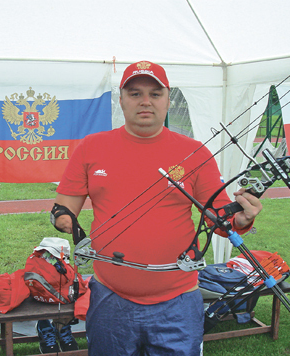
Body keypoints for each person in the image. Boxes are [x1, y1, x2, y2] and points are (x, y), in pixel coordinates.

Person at [50, 61, 263, 356]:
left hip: (179, 298)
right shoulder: (91, 147)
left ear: (168, 99)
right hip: (110, 296)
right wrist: (65, 219)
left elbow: (218, 218)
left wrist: (240, 217)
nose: (145, 101)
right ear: (121, 100)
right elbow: (63, 207)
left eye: (155, 93)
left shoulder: (196, 151)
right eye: (135, 94)